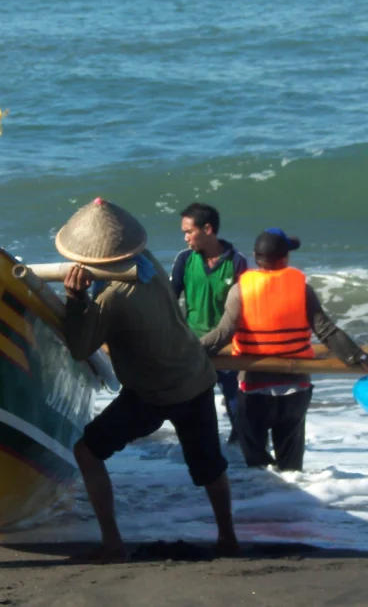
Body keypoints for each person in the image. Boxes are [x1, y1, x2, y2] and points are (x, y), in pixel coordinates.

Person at [60, 197, 241, 564]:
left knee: (87, 451)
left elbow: (81, 347)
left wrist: (75, 298)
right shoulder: (149, 262)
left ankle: (112, 544)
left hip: (153, 392)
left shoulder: (112, 297)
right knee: (209, 466)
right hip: (193, 376)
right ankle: (228, 539)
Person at [200, 229, 368, 472]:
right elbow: (327, 332)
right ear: (285, 259)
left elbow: (223, 334)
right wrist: (363, 359)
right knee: (291, 467)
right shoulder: (302, 289)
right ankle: (290, 500)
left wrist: (189, 351)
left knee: (255, 464)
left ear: (256, 257)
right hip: (296, 390)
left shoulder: (240, 290)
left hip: (255, 389)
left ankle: (264, 500)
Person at [171, 202, 248, 443]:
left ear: (208, 229)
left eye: (189, 231)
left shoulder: (236, 262)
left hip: (227, 346)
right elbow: (170, 300)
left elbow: (245, 309)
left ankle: (244, 468)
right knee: (193, 408)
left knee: (236, 406)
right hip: (194, 345)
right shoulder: (185, 260)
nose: (185, 238)